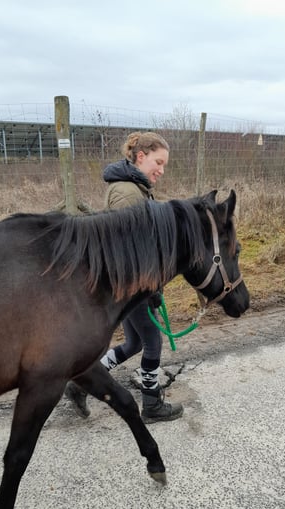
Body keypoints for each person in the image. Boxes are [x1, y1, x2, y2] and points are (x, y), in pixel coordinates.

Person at [65, 132, 183, 424]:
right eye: (158, 162)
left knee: (134, 344)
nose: (161, 170)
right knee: (153, 343)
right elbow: (128, 249)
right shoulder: (128, 193)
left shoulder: (135, 188)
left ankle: (81, 384)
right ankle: (152, 404)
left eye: (164, 164)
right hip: (132, 285)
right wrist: (151, 285)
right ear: (141, 157)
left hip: (129, 285)